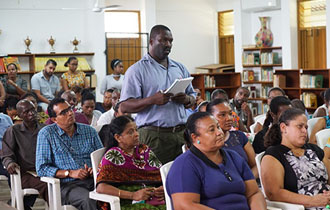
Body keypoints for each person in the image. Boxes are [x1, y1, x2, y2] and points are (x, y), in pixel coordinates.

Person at [120, 25, 196, 164]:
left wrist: (185, 99)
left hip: (181, 134)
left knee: (183, 177)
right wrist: (151, 100)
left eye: (171, 41)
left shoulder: (179, 68)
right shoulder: (137, 70)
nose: (168, 44)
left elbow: (193, 98)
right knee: (157, 179)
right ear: (151, 42)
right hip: (154, 135)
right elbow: (124, 106)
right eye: (163, 40)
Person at [166, 112, 266, 210]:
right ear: (195, 138)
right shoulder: (184, 165)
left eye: (218, 127)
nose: (219, 132)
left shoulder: (234, 157)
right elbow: (184, 206)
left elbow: (254, 193)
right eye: (211, 130)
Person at [36, 98, 103, 210]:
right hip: (66, 185)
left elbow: (102, 159)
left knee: (116, 191)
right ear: (54, 119)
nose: (70, 113)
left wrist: (93, 169)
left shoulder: (89, 131)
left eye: (70, 109)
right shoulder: (47, 134)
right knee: (89, 199)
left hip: (93, 180)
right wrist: (69, 173)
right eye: (63, 113)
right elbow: (41, 168)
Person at [261, 108, 330, 209]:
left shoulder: (314, 149)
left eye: (306, 127)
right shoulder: (274, 155)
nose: (304, 131)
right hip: (305, 206)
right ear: (284, 128)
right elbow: (273, 193)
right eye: (300, 126)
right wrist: (312, 201)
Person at [96, 116, 165, 210]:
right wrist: (133, 195)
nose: (136, 134)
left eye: (136, 130)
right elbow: (101, 188)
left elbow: (161, 175)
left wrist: (161, 188)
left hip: (151, 198)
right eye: (130, 132)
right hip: (124, 201)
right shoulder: (113, 155)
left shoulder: (144, 150)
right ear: (118, 137)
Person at [1, 99, 48, 210]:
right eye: (26, 112)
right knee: (47, 185)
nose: (31, 113)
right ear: (20, 115)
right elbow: (6, 154)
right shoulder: (14, 130)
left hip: (46, 170)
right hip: (25, 173)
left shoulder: (44, 129)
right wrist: (10, 163)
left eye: (32, 110)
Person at [206, 98, 258, 178]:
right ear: (210, 118)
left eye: (230, 114)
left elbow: (255, 166)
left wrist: (247, 181)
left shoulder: (239, 136)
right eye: (222, 115)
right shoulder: (205, 142)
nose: (229, 118)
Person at [0, 112, 13, 187]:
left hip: (6, 156)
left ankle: (17, 197)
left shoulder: (6, 118)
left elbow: (12, 138)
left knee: (15, 170)